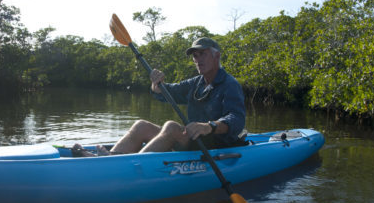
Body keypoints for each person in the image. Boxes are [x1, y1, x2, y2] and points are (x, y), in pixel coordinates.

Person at [73, 37, 245, 156]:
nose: (198, 59)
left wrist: (210, 126)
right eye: (195, 56)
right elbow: (169, 91)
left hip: (216, 146)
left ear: (217, 55)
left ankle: (128, 164)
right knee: (141, 126)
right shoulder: (196, 82)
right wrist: (157, 85)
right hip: (192, 141)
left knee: (170, 126)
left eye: (203, 54)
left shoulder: (230, 84)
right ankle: (114, 157)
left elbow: (236, 119)